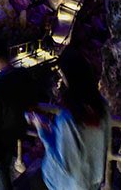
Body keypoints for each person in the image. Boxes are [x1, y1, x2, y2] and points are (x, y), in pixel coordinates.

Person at [26, 49, 111, 190]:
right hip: (93, 179)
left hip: (69, 184)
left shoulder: (68, 118)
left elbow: (64, 162)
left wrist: (43, 130)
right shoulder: (102, 107)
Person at [0, 39, 37, 190]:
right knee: (5, 163)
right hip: (19, 129)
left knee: (1, 168)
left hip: (2, 135)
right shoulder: (23, 75)